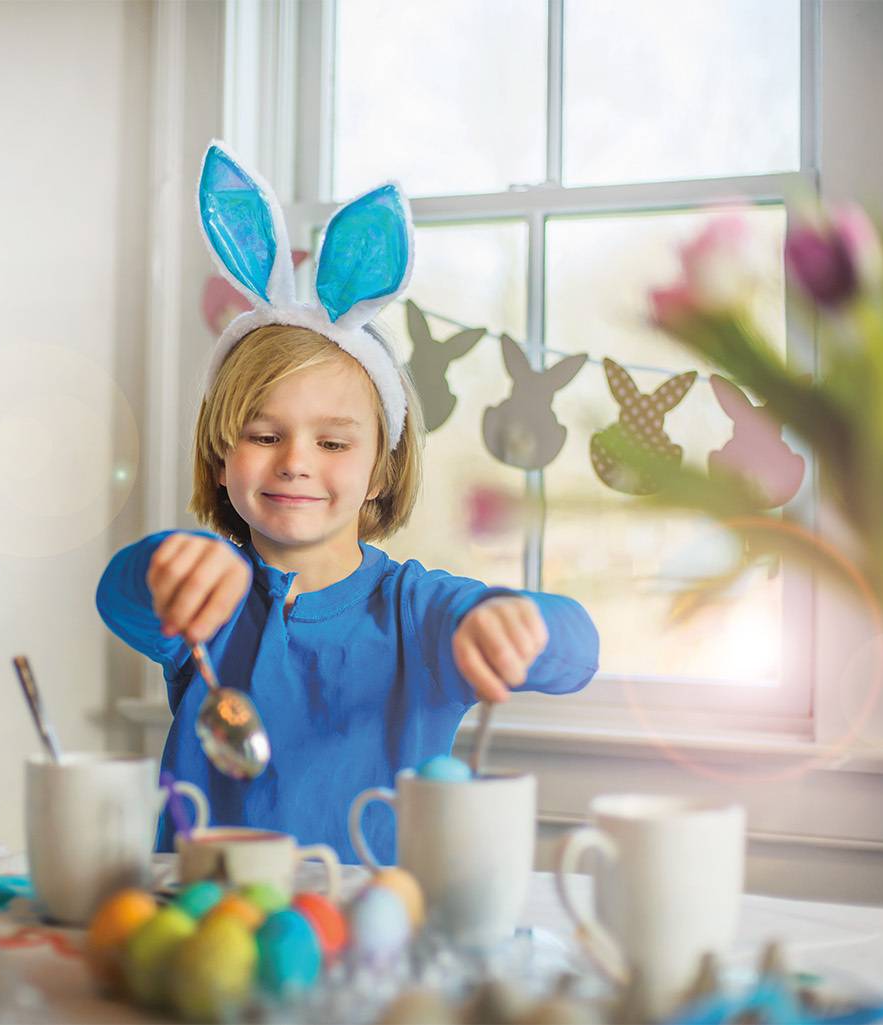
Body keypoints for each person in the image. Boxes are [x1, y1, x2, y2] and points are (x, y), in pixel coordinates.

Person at [97, 143, 599, 863]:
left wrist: (521, 625)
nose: (296, 460)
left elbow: (577, 651)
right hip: (204, 923)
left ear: (381, 470)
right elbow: (121, 594)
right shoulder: (207, 603)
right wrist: (175, 564)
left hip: (376, 943)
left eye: (333, 444)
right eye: (263, 434)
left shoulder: (420, 612)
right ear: (218, 452)